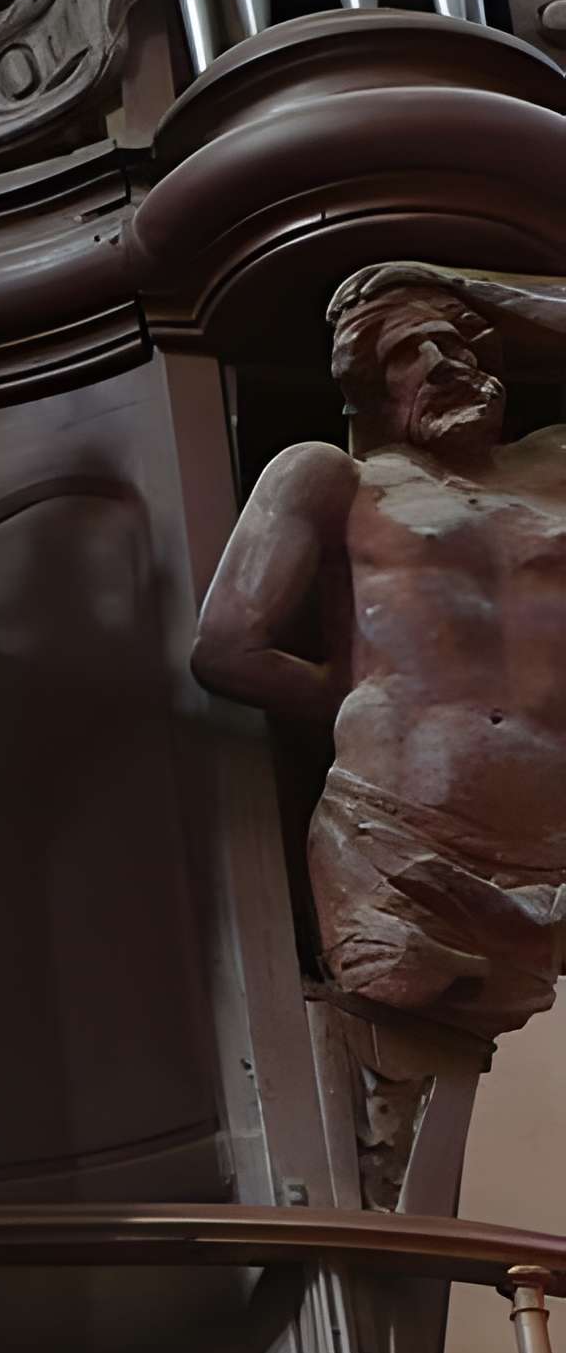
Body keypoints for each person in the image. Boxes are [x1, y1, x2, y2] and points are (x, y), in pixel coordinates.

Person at [193, 261, 566, 1036]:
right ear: (369, 390)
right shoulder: (332, 477)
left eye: (458, 345)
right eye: (406, 353)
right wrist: (379, 692)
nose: (441, 363)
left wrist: (471, 287)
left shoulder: (556, 466)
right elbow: (227, 647)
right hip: (397, 836)